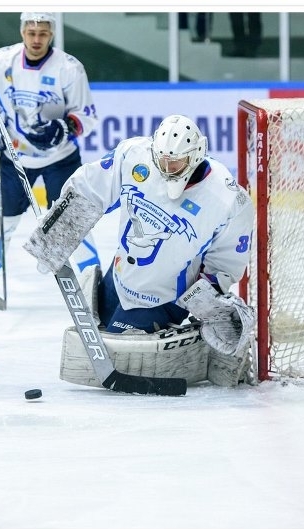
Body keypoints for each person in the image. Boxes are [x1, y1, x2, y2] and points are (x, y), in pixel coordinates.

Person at [23, 114, 256, 364]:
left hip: (164, 298)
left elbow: (227, 260)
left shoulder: (227, 198)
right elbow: (90, 188)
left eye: (175, 163)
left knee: (113, 358)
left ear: (196, 154)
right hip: (119, 279)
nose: (166, 169)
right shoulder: (134, 155)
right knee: (95, 344)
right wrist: (57, 232)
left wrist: (208, 299)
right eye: (162, 160)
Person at [0, 11, 100, 309]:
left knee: (72, 221)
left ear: (52, 34)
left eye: (43, 33)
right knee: (1, 221)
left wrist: (63, 128)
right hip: (15, 157)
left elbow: (87, 114)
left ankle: (94, 280)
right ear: (22, 31)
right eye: (31, 32)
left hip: (61, 158)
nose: (37, 39)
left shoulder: (69, 68)